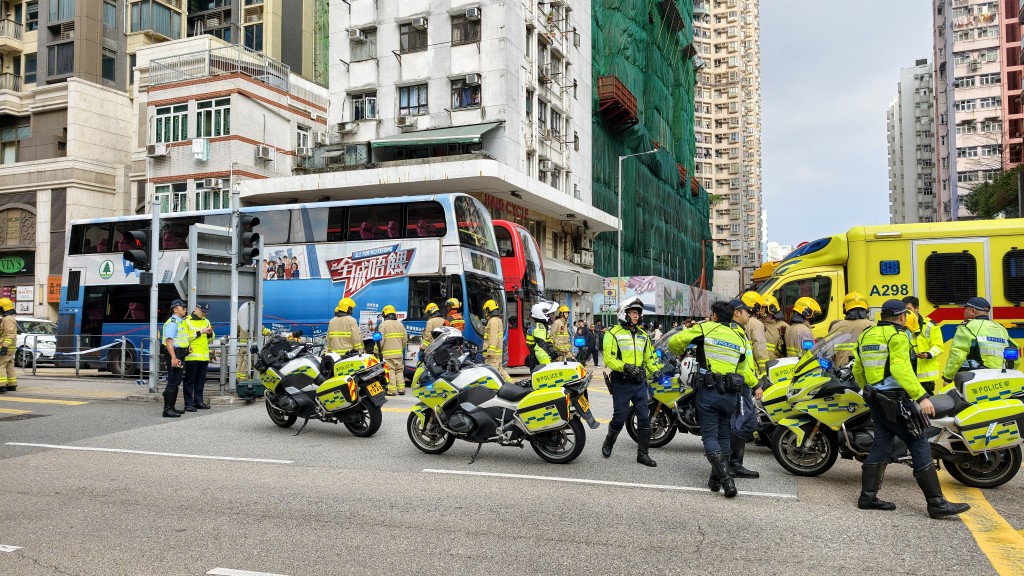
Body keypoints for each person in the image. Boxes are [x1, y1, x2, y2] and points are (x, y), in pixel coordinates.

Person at [853, 299, 970, 519]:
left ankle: (867, 497)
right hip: (897, 400)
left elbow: (858, 369)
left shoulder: (866, 335)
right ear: (902, 316)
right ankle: (936, 503)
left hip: (877, 400)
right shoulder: (898, 336)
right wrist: (921, 396)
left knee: (881, 444)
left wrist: (870, 390)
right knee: (919, 443)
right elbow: (900, 368)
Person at [668, 300, 756, 497]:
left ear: (714, 315)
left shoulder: (706, 328)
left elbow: (674, 343)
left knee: (709, 437)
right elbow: (744, 370)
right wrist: (756, 384)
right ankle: (715, 480)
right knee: (724, 436)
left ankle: (727, 481)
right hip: (731, 394)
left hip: (709, 392)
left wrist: (684, 349)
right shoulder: (740, 337)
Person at [601, 297, 662, 467]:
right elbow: (608, 358)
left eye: (638, 313)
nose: (636, 316)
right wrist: (625, 367)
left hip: (639, 382)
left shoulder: (644, 335)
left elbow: (649, 358)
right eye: (633, 312)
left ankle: (643, 454)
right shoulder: (612, 333)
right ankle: (609, 441)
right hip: (621, 382)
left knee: (644, 417)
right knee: (619, 418)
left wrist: (656, 370)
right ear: (624, 313)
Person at [941, 297, 1019, 385]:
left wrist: (948, 378)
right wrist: (1008, 372)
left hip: (975, 377)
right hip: (999, 377)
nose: (964, 312)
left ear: (973, 311)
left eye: (966, 309)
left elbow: (958, 354)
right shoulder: (1000, 328)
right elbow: (1015, 355)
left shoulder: (967, 327)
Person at [727, 298, 763, 480]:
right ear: (737, 312)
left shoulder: (740, 332)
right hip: (740, 386)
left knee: (743, 423)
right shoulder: (734, 333)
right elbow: (741, 368)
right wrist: (755, 383)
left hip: (743, 384)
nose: (749, 314)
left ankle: (733, 464)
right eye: (746, 311)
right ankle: (726, 462)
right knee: (746, 423)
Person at [903, 296, 944, 395]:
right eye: (904, 310)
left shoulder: (930, 325)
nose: (906, 313)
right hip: (906, 370)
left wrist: (928, 354)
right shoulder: (900, 325)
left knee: (926, 401)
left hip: (924, 372)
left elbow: (938, 346)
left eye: (909, 309)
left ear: (917, 308)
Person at [180, 302, 215, 411]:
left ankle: (198, 401)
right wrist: (199, 332)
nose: (204, 313)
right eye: (203, 311)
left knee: (200, 380)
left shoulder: (206, 321)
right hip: (192, 356)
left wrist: (210, 333)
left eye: (206, 312)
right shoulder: (186, 321)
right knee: (189, 381)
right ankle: (188, 404)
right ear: (196, 308)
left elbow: (211, 338)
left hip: (204, 356)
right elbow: (184, 338)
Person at [827, 292, 874, 366]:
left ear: (845, 308)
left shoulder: (836, 327)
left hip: (842, 371)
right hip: (868, 370)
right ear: (866, 308)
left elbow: (828, 354)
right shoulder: (873, 326)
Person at [161, 299, 190, 418]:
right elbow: (169, 341)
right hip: (174, 353)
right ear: (175, 309)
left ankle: (171, 407)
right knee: (173, 380)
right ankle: (167, 409)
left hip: (179, 353)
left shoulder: (180, 322)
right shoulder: (172, 322)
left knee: (176, 380)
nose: (185, 309)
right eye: (183, 308)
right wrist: (173, 357)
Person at [378, 305, 409, 395]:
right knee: (399, 371)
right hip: (398, 354)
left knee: (390, 371)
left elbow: (380, 341)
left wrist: (377, 351)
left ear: (385, 314)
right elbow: (405, 339)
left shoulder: (383, 325)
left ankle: (391, 391)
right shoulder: (400, 324)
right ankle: (401, 389)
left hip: (388, 355)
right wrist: (400, 348)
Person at [482, 299, 512, 383]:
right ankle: (512, 384)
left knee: (492, 374)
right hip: (497, 353)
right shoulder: (498, 320)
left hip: (493, 355)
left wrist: (490, 352)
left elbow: (493, 337)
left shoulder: (493, 321)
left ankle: (494, 389)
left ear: (489, 310)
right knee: (500, 370)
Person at [740, 291, 769, 375]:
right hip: (753, 370)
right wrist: (765, 372)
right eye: (761, 307)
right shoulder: (757, 324)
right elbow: (760, 351)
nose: (762, 309)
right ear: (756, 306)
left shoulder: (737, 320)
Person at [525, 301, 559, 369]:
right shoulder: (540, 328)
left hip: (536, 360)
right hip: (539, 362)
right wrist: (547, 365)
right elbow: (541, 349)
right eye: (548, 315)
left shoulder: (538, 326)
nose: (551, 317)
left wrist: (551, 350)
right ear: (541, 315)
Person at [763, 295, 789, 360]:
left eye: (762, 308)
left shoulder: (783, 326)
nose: (760, 310)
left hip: (778, 363)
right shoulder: (758, 324)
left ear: (770, 309)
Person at [0, 298, 17, 393]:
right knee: (9, 365)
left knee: (1, 365)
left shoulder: (7, 320)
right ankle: (12, 384)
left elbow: (10, 334)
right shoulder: (10, 318)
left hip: (5, 346)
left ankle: (1, 385)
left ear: (3, 308)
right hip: (10, 347)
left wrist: (5, 346)